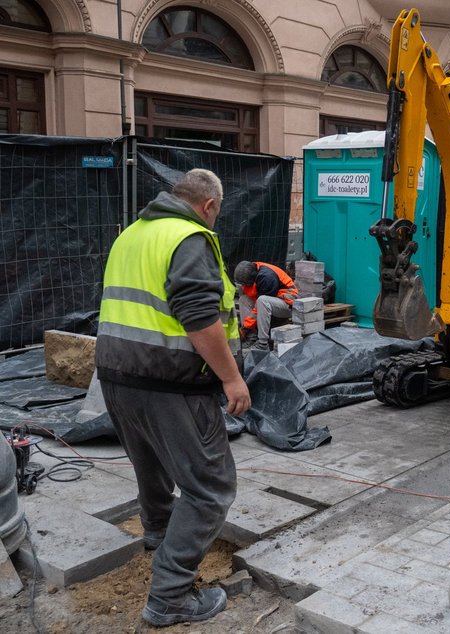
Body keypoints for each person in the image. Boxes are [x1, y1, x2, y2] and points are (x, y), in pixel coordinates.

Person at [95, 168, 251, 627]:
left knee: (153, 466)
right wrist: (231, 378)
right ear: (208, 206)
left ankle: (158, 534)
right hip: (171, 383)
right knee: (210, 487)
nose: (214, 221)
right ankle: (170, 597)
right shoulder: (189, 237)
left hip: (117, 376)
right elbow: (199, 316)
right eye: (216, 214)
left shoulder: (133, 235)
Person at [233, 260, 298, 350]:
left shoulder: (267, 277)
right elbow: (252, 295)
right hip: (274, 300)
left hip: (288, 305)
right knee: (243, 300)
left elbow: (259, 306)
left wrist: (245, 327)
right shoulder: (253, 269)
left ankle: (262, 344)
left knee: (262, 301)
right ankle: (251, 337)